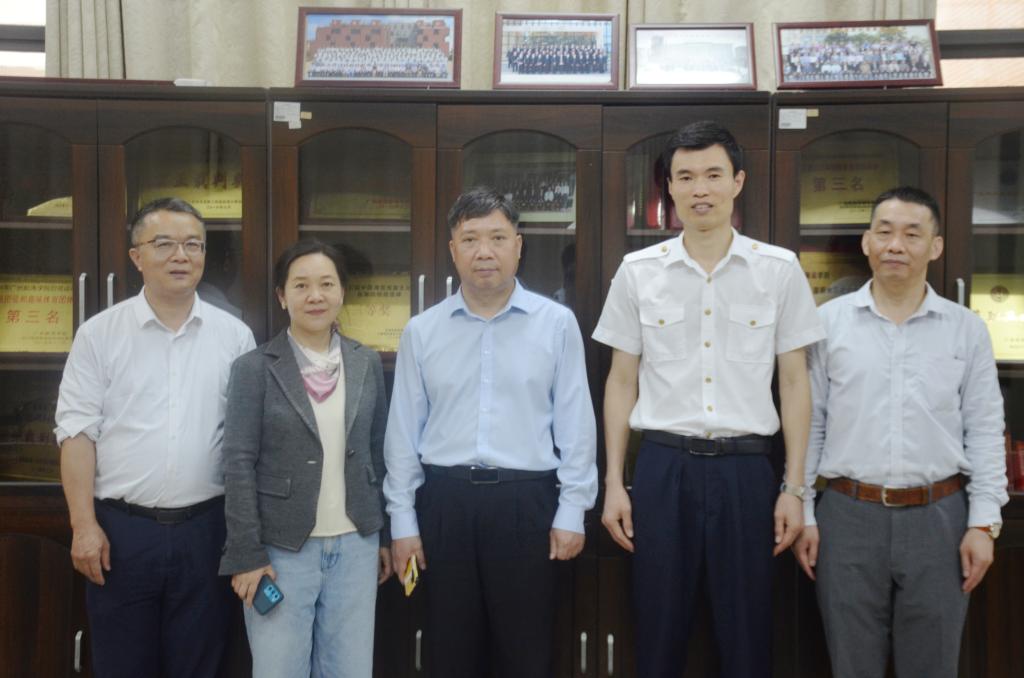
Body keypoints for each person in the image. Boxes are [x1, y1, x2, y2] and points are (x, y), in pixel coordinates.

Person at [593, 120, 824, 678]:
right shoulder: (638, 272)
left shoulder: (778, 269)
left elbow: (795, 383)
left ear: (738, 182)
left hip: (747, 474)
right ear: (669, 188)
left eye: (714, 175)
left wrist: (795, 488)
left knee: (747, 637)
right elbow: (621, 381)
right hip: (662, 470)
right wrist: (615, 483)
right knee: (657, 631)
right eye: (686, 176)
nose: (701, 189)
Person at [792, 186, 1007, 678]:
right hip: (847, 516)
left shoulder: (966, 329)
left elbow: (984, 429)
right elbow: (810, 425)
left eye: (912, 234)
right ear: (866, 241)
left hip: (940, 518)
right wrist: (805, 512)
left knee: (932, 666)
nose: (896, 245)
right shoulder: (827, 325)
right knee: (851, 665)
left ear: (935, 246)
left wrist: (983, 524)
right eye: (884, 232)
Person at [383, 186, 597, 678]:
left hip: (527, 505)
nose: (485, 251)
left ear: (518, 246)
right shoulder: (422, 331)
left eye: (498, 238)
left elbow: (576, 424)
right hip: (445, 505)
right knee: (450, 653)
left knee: (526, 654)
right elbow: (403, 435)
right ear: (452, 249)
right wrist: (403, 521)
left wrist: (573, 509)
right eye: (471, 239)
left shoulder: (556, 324)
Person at [54, 197, 256, 678]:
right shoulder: (99, 335)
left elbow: (247, 444)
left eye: (193, 245)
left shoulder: (234, 336)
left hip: (207, 532)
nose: (180, 256)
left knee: (200, 664)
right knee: (122, 665)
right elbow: (77, 433)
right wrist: (83, 526)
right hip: (121, 534)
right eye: (164, 244)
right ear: (136, 256)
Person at [219, 239, 390, 678]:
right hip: (281, 550)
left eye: (327, 284)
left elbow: (377, 450)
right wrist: (246, 553)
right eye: (301, 285)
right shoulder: (254, 368)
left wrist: (384, 535)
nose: (315, 296)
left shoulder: (366, 362)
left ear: (342, 292)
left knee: (349, 671)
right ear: (282, 296)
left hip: (355, 546)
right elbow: (237, 463)